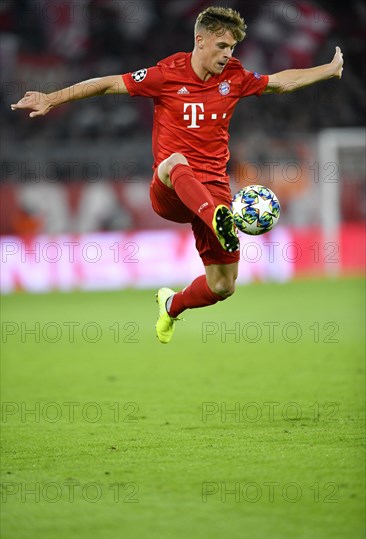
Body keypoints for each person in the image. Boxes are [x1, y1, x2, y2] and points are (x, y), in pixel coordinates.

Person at [11, 6, 344, 344]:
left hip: (213, 191)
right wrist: (52, 98)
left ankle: (171, 305)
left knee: (222, 285)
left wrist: (329, 70)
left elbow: (280, 83)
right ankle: (216, 219)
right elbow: (106, 84)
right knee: (174, 160)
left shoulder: (235, 77)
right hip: (171, 189)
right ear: (200, 40)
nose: (227, 55)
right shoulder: (166, 74)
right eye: (222, 46)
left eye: (232, 49)